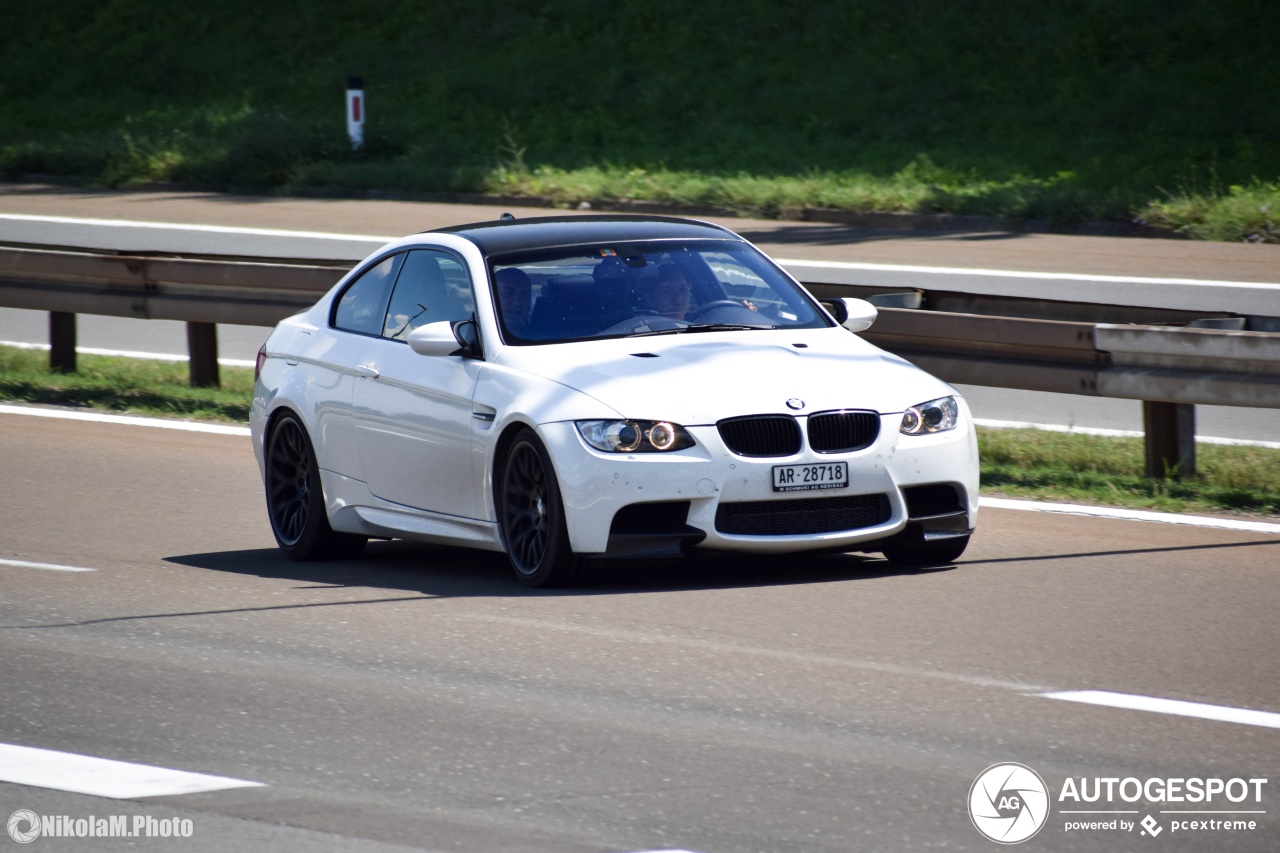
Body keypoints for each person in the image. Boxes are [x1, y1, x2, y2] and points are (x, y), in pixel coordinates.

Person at [494, 267, 533, 336]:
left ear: (529, 304)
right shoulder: (476, 339)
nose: (517, 303)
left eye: (524, 295)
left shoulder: (544, 342)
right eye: (508, 293)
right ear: (492, 298)